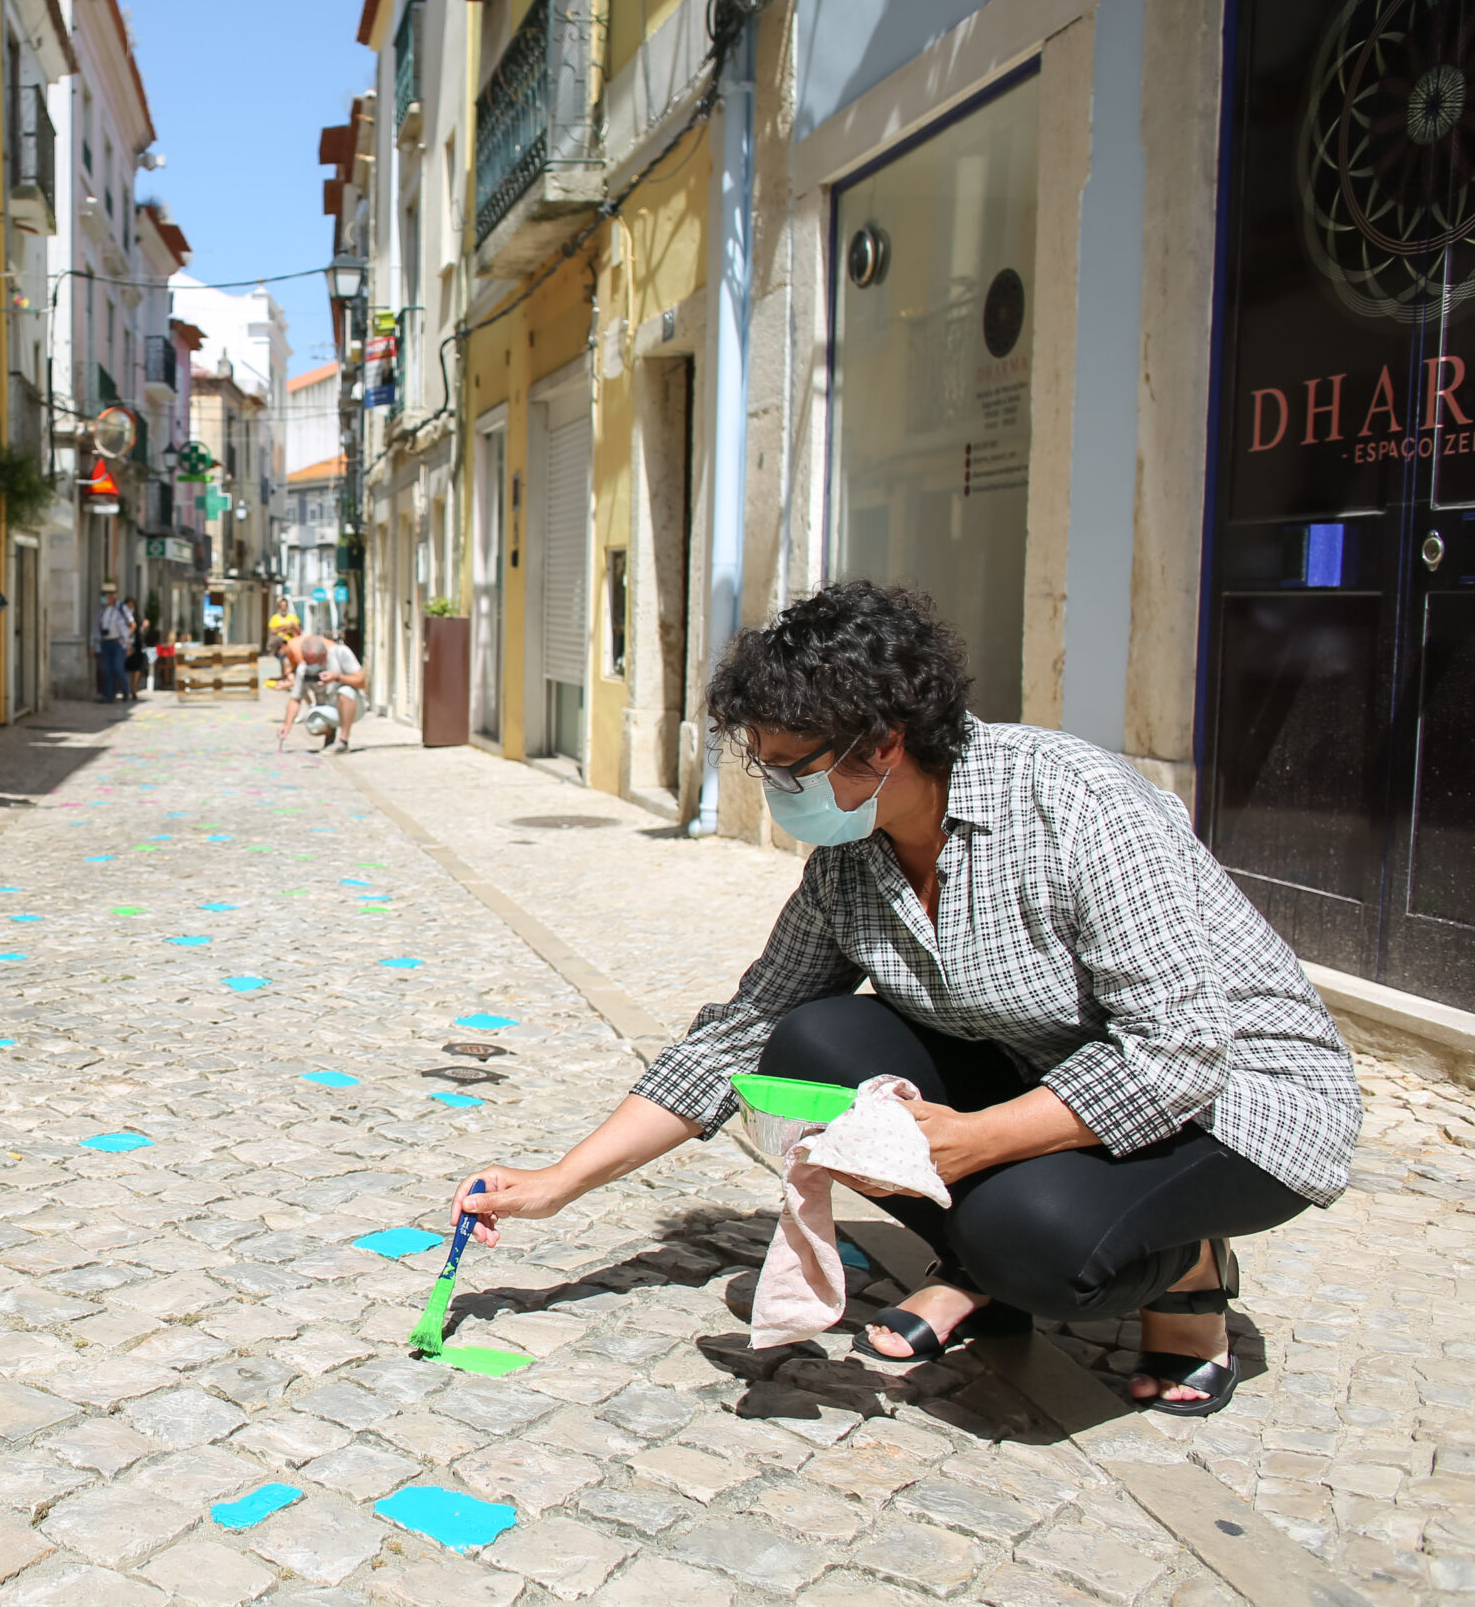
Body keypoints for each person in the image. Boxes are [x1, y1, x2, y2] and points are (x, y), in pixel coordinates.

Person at [451, 583, 1359, 1417]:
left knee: (1031, 1238)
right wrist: (559, 1183)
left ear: (883, 743)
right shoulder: (853, 855)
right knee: (808, 1047)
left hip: (1236, 1105)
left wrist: (979, 1143)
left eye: (789, 766)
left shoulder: (1076, 803)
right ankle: (985, 1256)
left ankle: (1182, 1272)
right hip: (1049, 1077)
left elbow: (1178, 1052)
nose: (776, 790)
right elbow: (741, 1033)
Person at [277, 632, 366, 753]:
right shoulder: (303, 668)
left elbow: (361, 681)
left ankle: (343, 742)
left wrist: (337, 677)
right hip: (329, 708)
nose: (310, 665)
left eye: (313, 661)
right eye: (307, 661)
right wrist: (286, 726)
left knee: (344, 691)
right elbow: (295, 699)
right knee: (312, 724)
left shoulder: (340, 653)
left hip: (354, 706)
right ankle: (330, 732)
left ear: (323, 654)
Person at [95, 582, 133, 702]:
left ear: (112, 596)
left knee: (118, 668)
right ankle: (109, 696)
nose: (103, 597)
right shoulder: (102, 610)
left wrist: (127, 640)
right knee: (107, 670)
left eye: (105, 595)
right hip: (106, 643)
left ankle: (126, 692)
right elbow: (96, 626)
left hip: (118, 643)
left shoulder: (121, 608)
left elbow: (132, 624)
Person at [127, 611, 154, 701]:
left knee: (137, 671)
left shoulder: (139, 628)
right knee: (131, 671)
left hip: (138, 651)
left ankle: (133, 690)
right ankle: (130, 689)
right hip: (131, 650)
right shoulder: (129, 626)